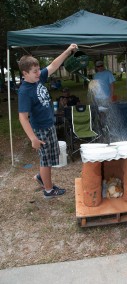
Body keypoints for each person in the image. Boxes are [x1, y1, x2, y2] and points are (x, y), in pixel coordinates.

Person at [18, 43, 78, 199]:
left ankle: (41, 178)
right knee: (46, 160)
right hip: (40, 130)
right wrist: (33, 138)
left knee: (51, 157)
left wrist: (67, 51)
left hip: (49, 125)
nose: (39, 73)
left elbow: (53, 65)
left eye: (39, 70)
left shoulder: (38, 79)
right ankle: (49, 190)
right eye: (35, 71)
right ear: (25, 73)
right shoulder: (24, 91)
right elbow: (23, 117)